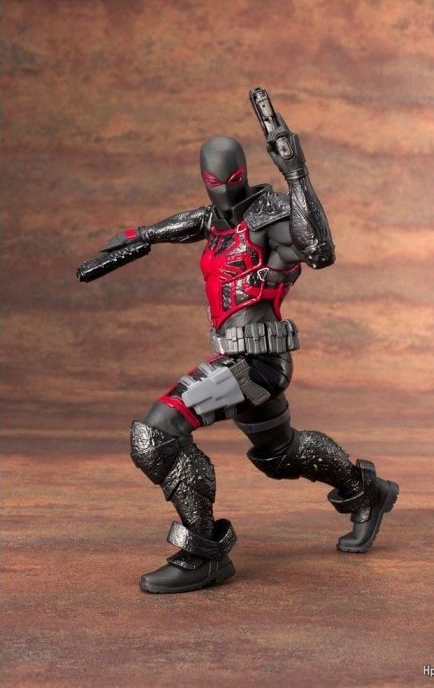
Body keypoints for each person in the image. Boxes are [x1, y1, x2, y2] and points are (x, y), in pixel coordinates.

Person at [89, 89, 399, 593]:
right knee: (282, 454)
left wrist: (296, 173)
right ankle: (366, 492)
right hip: (239, 360)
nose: (222, 193)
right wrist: (141, 236)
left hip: (255, 363)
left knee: (157, 433)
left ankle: (204, 553)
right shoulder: (218, 219)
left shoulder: (273, 218)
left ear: (243, 174)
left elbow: (319, 251)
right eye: (214, 184)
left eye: (230, 182)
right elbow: (192, 222)